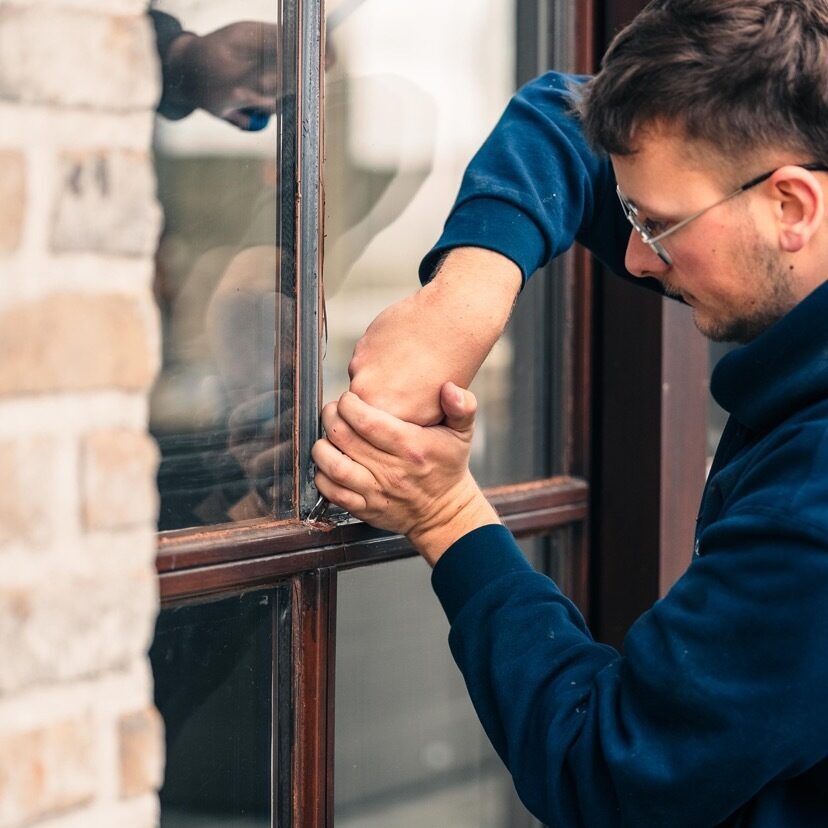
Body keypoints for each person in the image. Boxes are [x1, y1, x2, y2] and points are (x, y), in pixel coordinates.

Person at [312, 1, 828, 825]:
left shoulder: (811, 507)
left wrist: (447, 516)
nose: (631, 255)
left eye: (659, 225)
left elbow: (609, 775)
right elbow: (565, 115)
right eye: (632, 216)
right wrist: (465, 298)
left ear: (792, 207)